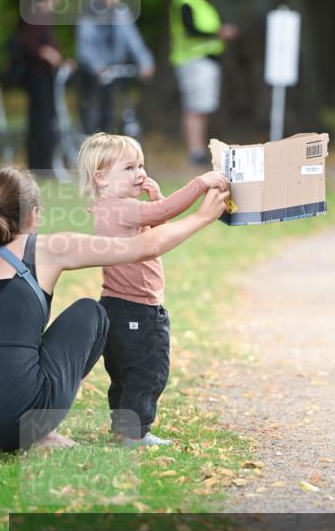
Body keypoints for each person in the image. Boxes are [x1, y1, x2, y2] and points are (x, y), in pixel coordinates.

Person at [0, 166, 229, 453]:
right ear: (33, 215)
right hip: (23, 421)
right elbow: (143, 247)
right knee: (91, 312)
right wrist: (202, 216)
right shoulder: (45, 248)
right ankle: (44, 433)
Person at [77, 133, 229, 446]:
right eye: (130, 168)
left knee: (125, 373)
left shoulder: (118, 208)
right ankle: (135, 433)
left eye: (141, 165)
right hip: (136, 309)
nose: (140, 173)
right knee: (148, 371)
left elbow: (157, 226)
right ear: (102, 178)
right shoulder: (117, 207)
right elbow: (164, 215)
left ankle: (124, 428)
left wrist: (155, 200)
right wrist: (200, 184)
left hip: (118, 307)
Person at [169, 0, 239, 165]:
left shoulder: (204, 3)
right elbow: (190, 29)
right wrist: (220, 33)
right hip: (193, 60)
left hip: (205, 61)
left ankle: (199, 149)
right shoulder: (186, 0)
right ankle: (195, 151)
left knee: (202, 106)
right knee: (195, 107)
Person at [76, 0, 155, 134]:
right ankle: (88, 147)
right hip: (93, 72)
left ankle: (108, 150)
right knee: (91, 114)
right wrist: (98, 66)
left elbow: (133, 40)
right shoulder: (90, 12)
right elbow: (85, 44)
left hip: (113, 69)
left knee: (110, 112)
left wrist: (145, 62)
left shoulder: (121, 13)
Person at [18, 0, 65, 171]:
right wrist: (45, 52)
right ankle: (39, 164)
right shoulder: (38, 13)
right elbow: (28, 43)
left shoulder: (43, 14)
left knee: (46, 118)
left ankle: (44, 163)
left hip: (44, 75)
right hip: (37, 76)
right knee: (40, 119)